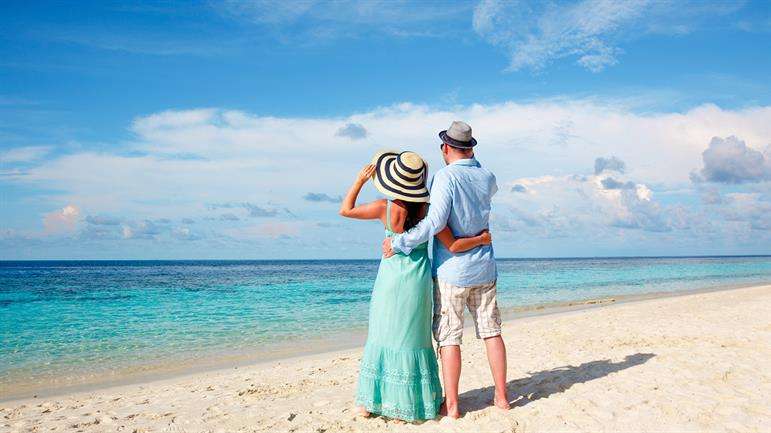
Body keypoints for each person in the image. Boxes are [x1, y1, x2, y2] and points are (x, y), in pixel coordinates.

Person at [339, 150, 492, 422]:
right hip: (416, 282)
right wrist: (481, 239)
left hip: (389, 280)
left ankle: (369, 404)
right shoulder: (428, 213)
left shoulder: (382, 208)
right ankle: (406, 406)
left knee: (382, 334)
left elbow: (345, 209)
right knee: (412, 338)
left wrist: (360, 181)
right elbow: (454, 245)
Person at [383, 121, 509, 419]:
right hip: (484, 267)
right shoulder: (487, 177)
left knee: (450, 337)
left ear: (446, 147)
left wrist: (400, 242)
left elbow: (436, 223)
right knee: (492, 333)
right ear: (471, 148)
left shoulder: (445, 177)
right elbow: (486, 195)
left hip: (453, 271)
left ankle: (452, 405)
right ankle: (502, 397)